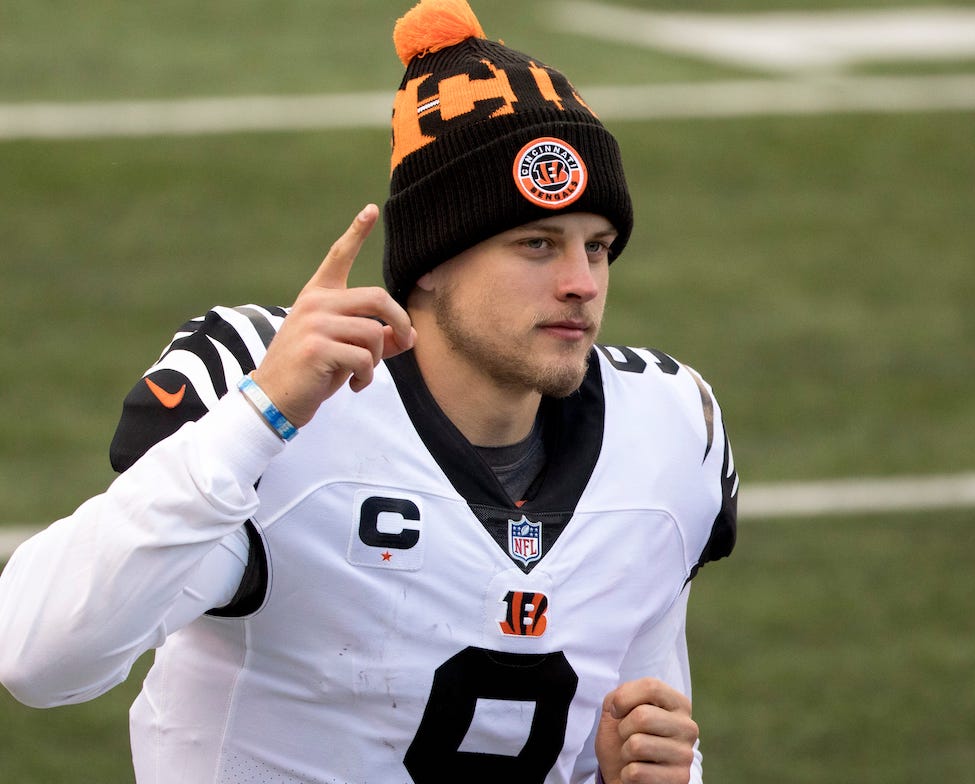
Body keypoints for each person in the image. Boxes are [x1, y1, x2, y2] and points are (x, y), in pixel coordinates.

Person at [0, 0, 737, 781]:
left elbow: (635, 729)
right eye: (536, 243)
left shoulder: (665, 430)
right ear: (431, 260)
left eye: (599, 247)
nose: (581, 283)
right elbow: (36, 659)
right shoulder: (267, 398)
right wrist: (257, 414)